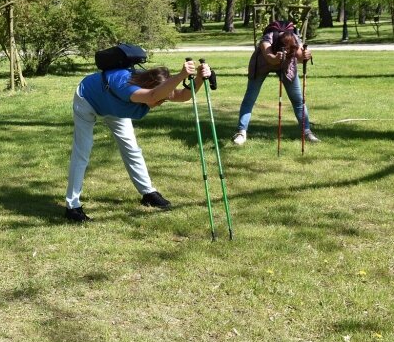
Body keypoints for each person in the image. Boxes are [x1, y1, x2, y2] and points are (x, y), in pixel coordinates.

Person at [65, 59, 212, 222]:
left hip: (113, 107)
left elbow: (183, 96)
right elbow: (153, 95)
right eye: (161, 100)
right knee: (82, 151)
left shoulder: (158, 87)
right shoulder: (127, 86)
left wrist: (199, 77)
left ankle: (148, 193)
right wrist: (181, 75)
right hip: (88, 98)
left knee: (132, 149)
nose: (160, 103)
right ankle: (72, 206)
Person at [232, 28, 318, 145]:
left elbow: (301, 57)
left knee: (298, 99)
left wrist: (306, 55)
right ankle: (241, 132)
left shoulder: (295, 40)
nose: (288, 50)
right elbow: (270, 59)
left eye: (290, 49)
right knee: (250, 98)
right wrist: (277, 58)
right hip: (262, 64)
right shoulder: (266, 41)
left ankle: (307, 132)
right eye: (285, 48)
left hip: (286, 66)